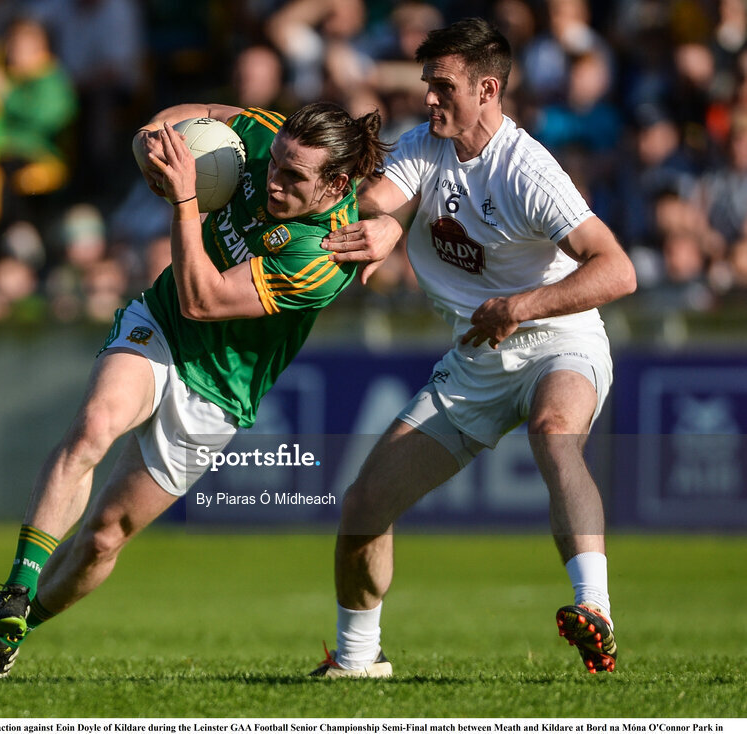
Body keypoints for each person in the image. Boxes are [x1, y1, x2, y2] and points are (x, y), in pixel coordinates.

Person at [0, 100, 392, 678]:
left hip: (217, 393)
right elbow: (184, 118)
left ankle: (11, 635)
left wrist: (185, 199)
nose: (274, 178)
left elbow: (206, 299)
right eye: (277, 163)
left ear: (336, 183)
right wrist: (151, 144)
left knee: (104, 538)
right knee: (95, 426)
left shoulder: (325, 252)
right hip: (161, 326)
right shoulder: (264, 134)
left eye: (293, 175)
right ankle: (16, 586)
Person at [310, 17, 637, 678]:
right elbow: (381, 203)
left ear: (487, 89)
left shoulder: (527, 170)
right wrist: (372, 230)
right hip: (475, 362)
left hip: (558, 340)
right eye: (426, 82)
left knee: (553, 432)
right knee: (363, 507)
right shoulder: (423, 145)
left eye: (441, 85)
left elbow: (616, 270)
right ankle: (356, 662)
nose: (427, 96)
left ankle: (593, 608)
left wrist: (520, 306)